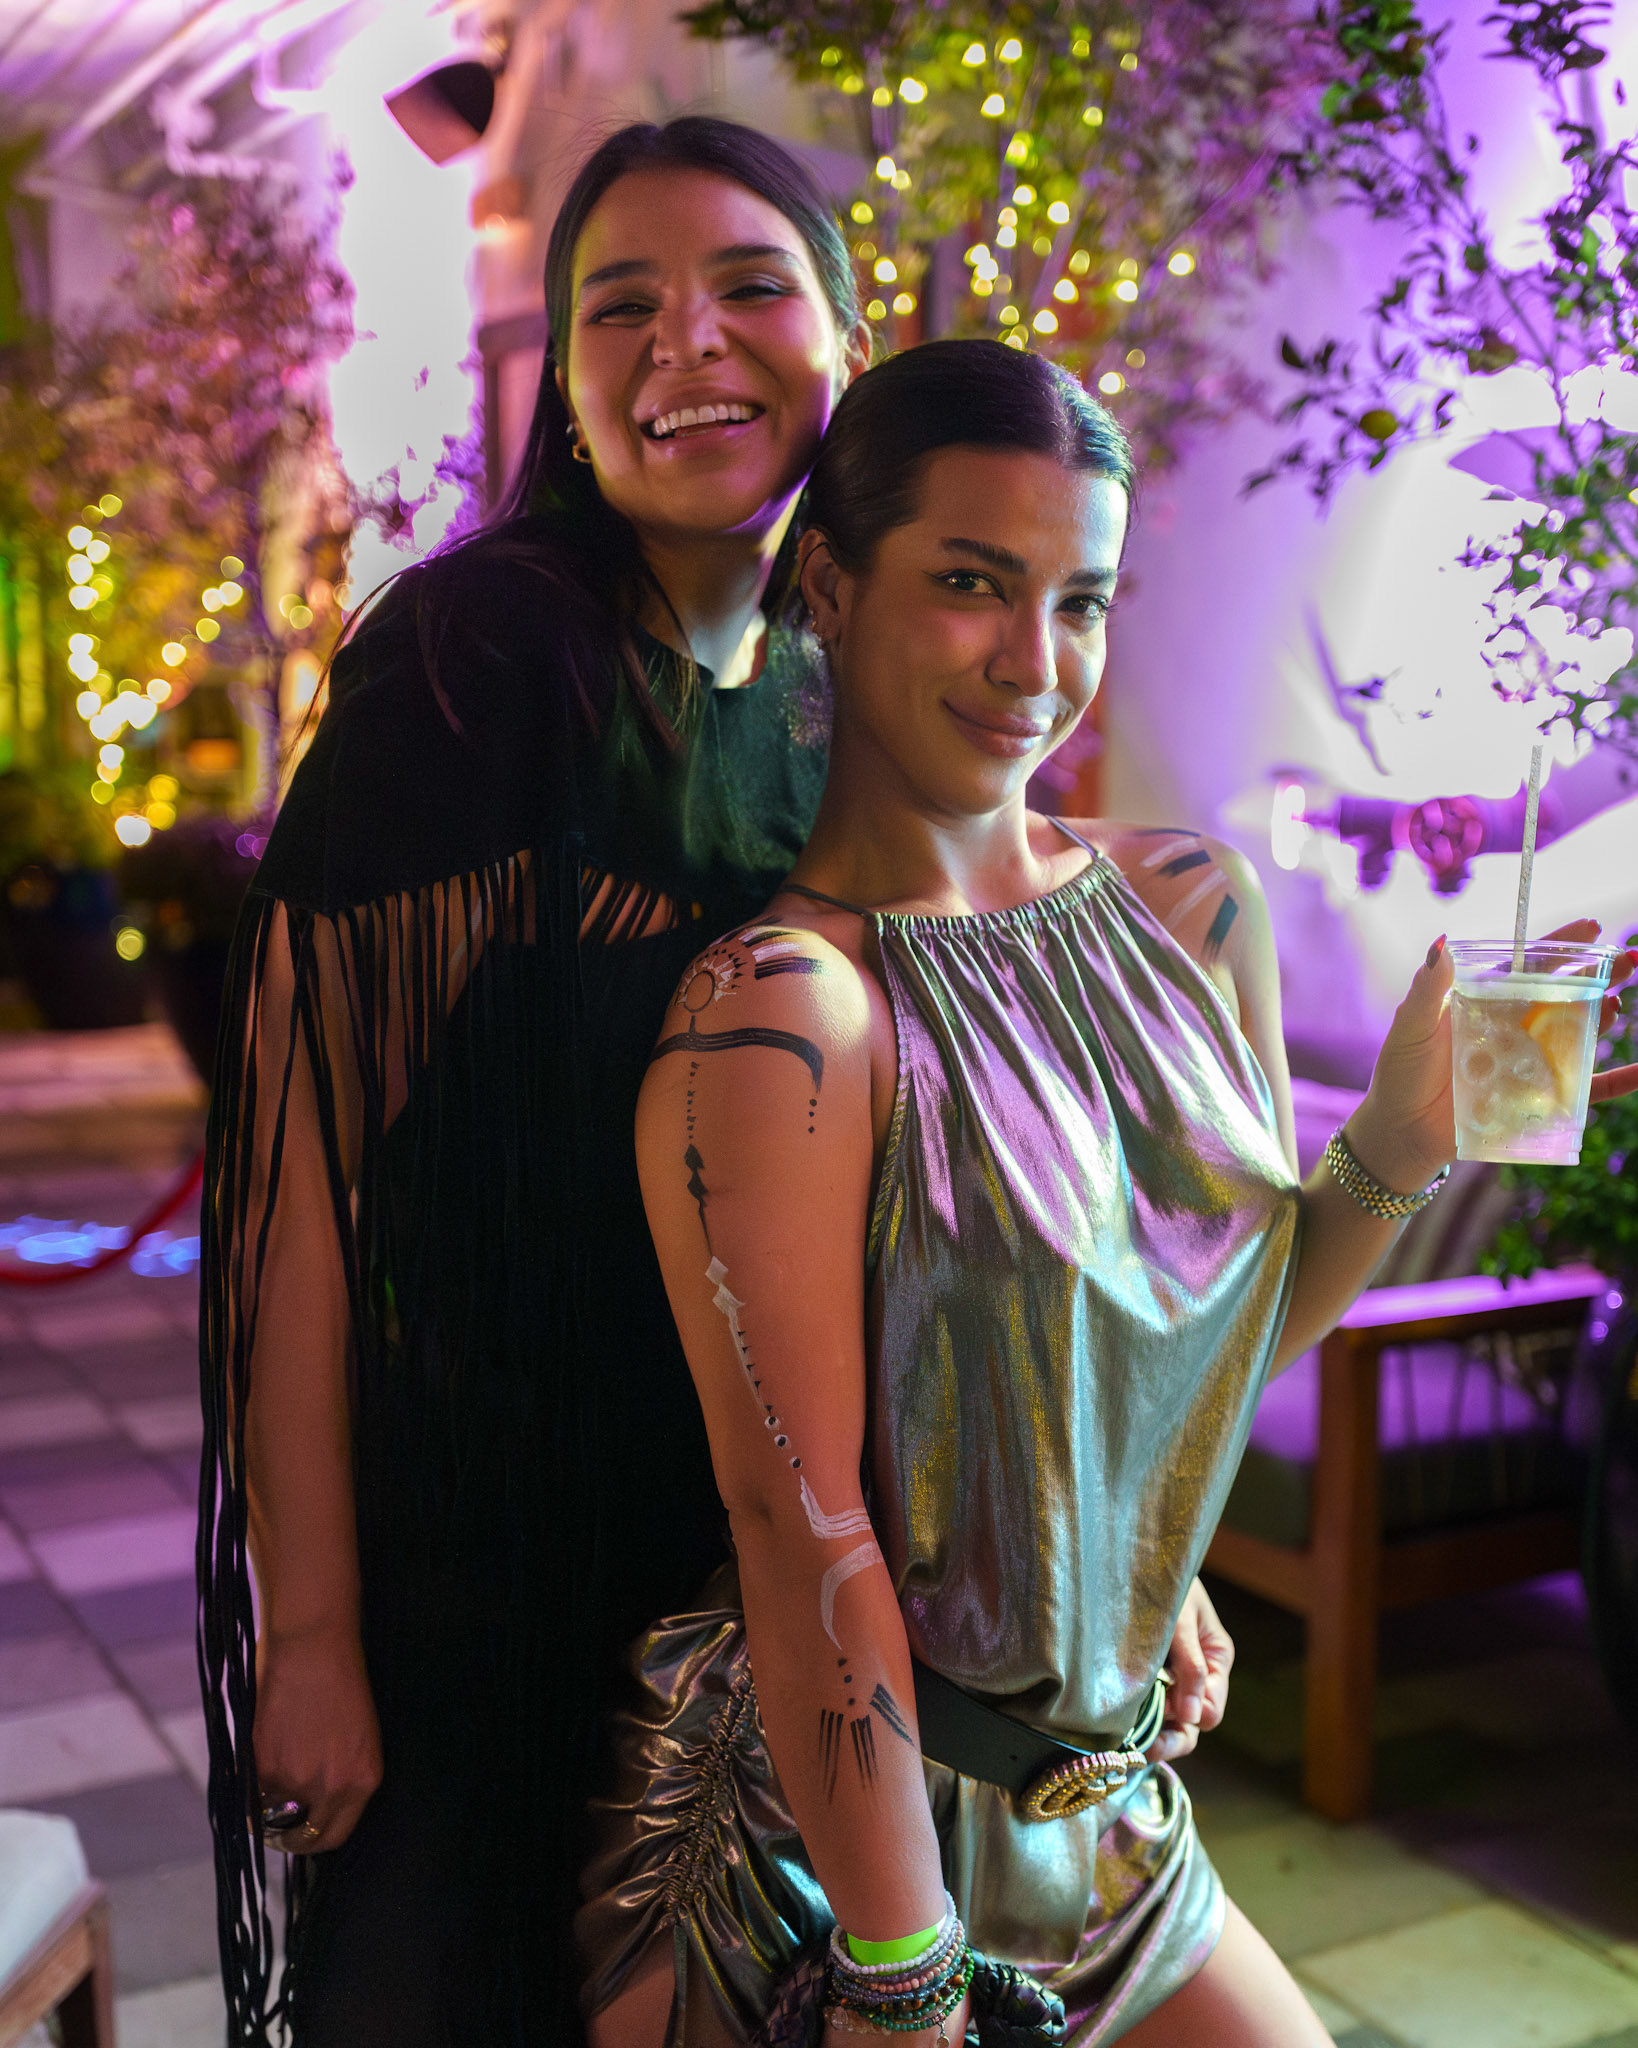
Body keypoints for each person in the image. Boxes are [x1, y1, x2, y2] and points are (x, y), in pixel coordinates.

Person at [601, 339, 1638, 2047]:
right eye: (969, 584)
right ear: (830, 588)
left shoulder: (1191, 910)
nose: (1036, 662)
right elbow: (800, 1527)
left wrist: (1404, 1134)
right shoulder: (783, 1018)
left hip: (1109, 1823)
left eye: (1077, 600)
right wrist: (897, 1970)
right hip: (829, 1856)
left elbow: (1200, 1355)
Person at [197, 116, 872, 2048]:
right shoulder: (476, 659)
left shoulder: (833, 682)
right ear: (565, 385)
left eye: (749, 286)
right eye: (619, 306)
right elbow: (293, 1176)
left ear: (844, 337)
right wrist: (313, 1635)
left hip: (741, 1552)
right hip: (477, 1563)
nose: (688, 343)